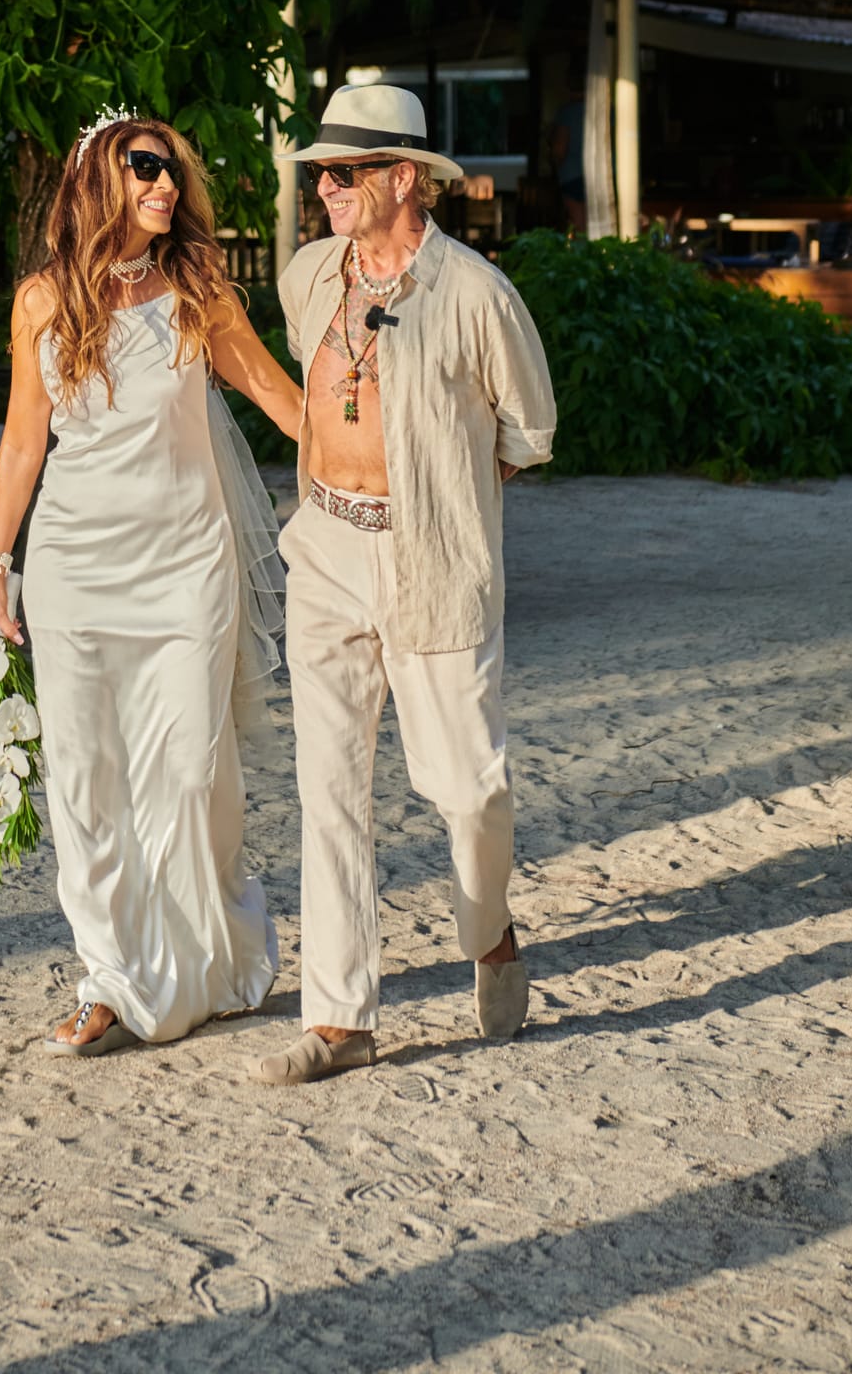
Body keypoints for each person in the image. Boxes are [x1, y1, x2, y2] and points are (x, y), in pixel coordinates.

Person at [0, 110, 303, 1057]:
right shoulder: (41, 301)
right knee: (87, 780)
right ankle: (110, 980)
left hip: (187, 566)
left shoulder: (198, 290)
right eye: (143, 167)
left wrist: (374, 461)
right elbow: (23, 443)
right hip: (74, 569)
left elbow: (276, 396)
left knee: (190, 774)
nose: (164, 184)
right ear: (95, 183)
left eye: (171, 170)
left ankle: (214, 959)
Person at [252, 82, 557, 1087]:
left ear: (401, 178)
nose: (324, 187)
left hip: (434, 562)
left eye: (343, 172)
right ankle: (340, 1018)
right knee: (329, 788)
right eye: (321, 173)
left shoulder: (476, 293)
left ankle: (489, 931)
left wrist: (447, 496)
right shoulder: (308, 275)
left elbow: (529, 431)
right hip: (324, 550)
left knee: (467, 789)